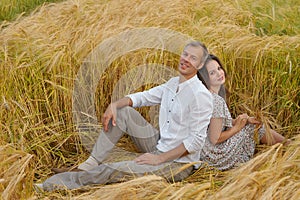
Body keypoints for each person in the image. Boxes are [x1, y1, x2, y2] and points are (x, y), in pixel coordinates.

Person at [34, 41, 213, 191]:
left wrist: (158, 159)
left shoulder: (200, 95)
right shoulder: (173, 83)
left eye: (193, 58)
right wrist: (114, 105)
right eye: (185, 54)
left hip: (177, 164)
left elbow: (195, 141)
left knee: (113, 169)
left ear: (199, 65)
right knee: (123, 112)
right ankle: (89, 164)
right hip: (159, 144)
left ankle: (50, 186)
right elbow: (142, 97)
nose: (186, 59)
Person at [198, 54, 289, 171]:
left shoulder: (206, 96)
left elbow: (215, 123)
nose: (219, 73)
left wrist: (239, 121)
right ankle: (289, 146)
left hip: (207, 153)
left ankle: (288, 146)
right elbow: (215, 138)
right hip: (216, 155)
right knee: (255, 128)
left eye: (219, 68)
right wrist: (237, 127)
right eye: (212, 73)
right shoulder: (216, 100)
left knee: (250, 125)